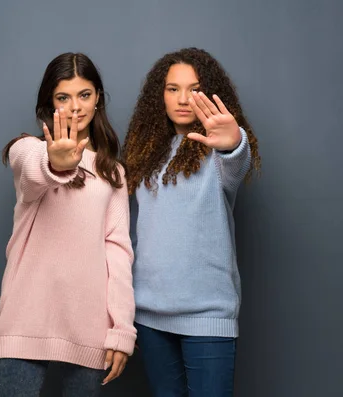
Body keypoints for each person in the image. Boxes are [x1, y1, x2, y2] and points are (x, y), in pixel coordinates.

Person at [0, 52, 136, 397]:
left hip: (88, 325)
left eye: (84, 95)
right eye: (63, 97)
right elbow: (32, 172)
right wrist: (56, 162)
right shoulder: (27, 151)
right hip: (24, 320)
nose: (75, 107)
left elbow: (118, 254)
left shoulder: (113, 173)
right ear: (49, 103)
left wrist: (121, 330)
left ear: (98, 97)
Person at [123, 47, 261, 396]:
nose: (183, 98)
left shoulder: (216, 151)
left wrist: (234, 142)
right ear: (160, 95)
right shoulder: (144, 152)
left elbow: (236, 162)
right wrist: (128, 310)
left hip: (208, 317)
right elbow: (134, 235)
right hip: (150, 317)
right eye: (172, 89)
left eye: (193, 88)